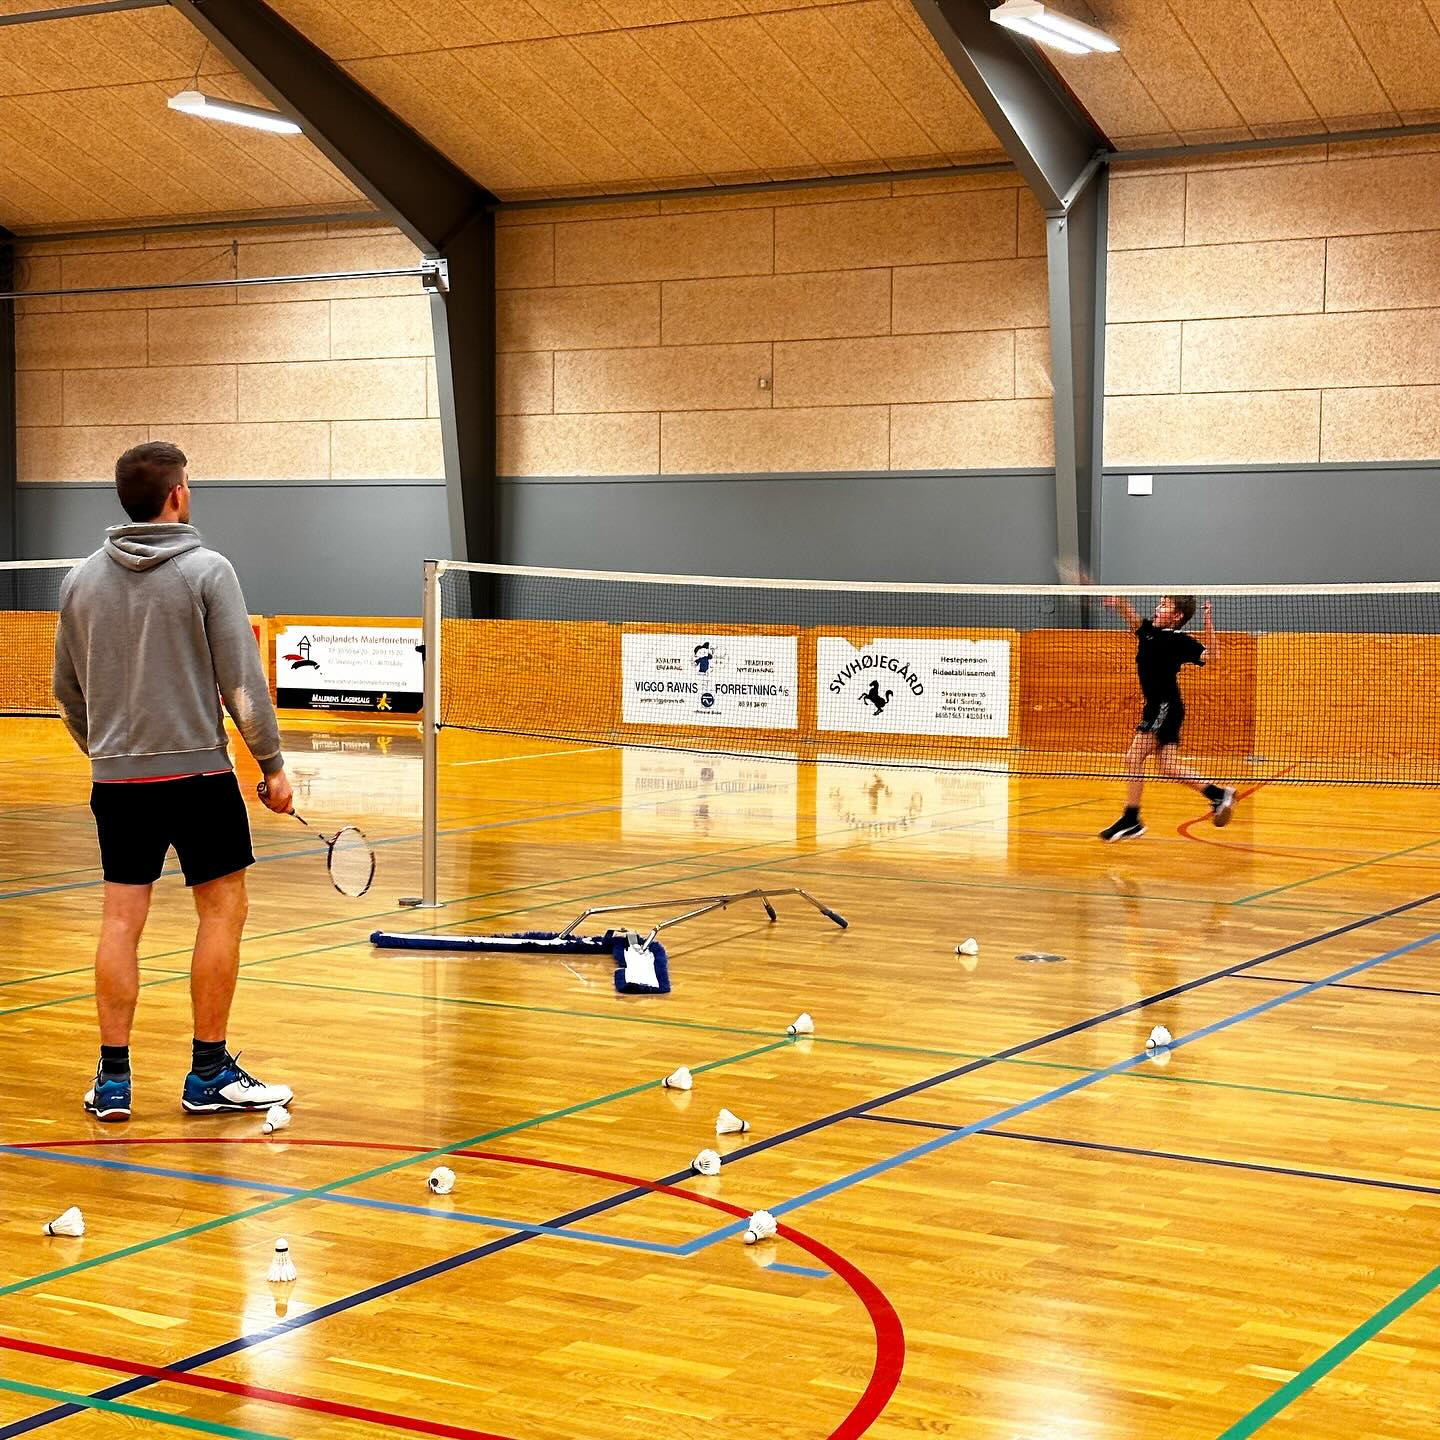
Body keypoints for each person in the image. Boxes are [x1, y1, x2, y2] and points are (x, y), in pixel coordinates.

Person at [52, 441, 295, 1123]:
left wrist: (107, 754)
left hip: (117, 783)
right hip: (198, 776)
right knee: (222, 912)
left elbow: (66, 693)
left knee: (119, 920)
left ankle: (114, 1082)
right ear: (178, 494)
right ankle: (208, 1073)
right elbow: (242, 682)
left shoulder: (79, 581)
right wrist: (272, 765)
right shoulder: (208, 570)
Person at [1098, 592, 1236, 842]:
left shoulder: (1179, 641)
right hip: (1160, 706)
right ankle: (1217, 794)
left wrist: (1207, 621)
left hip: (1165, 706)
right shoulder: (1148, 632)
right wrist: (1118, 601)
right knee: (1168, 766)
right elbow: (1131, 617)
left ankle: (1131, 819)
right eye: (1159, 603)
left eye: (1165, 605)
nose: (1158, 608)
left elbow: (1213, 656)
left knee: (1133, 758)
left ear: (1177, 616)